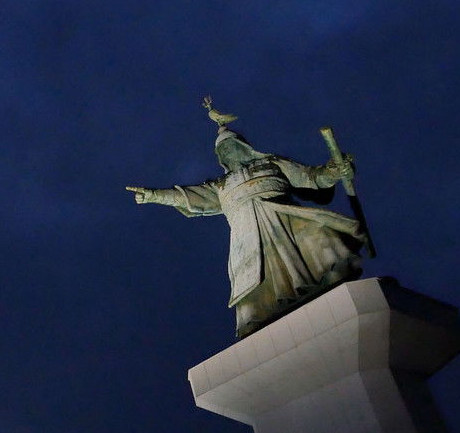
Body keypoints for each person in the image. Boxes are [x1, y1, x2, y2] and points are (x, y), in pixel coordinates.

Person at [127, 102, 367, 337]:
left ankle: (332, 272)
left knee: (318, 236)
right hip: (247, 236)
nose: (230, 154)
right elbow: (188, 196)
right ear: (221, 158)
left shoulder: (272, 163)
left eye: (232, 147)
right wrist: (154, 195)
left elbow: (312, 177)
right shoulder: (220, 185)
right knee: (255, 278)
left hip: (283, 216)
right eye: (224, 152)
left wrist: (334, 170)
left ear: (244, 147)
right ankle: (256, 316)